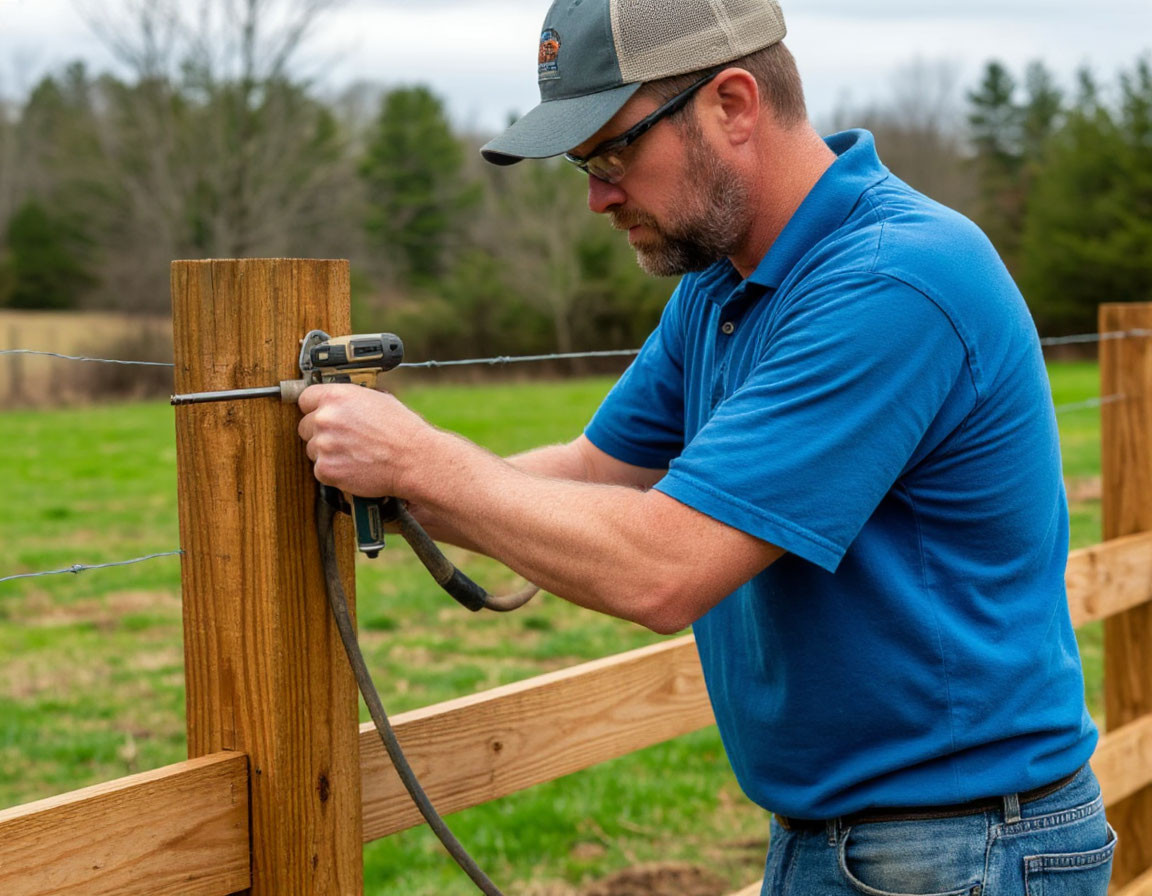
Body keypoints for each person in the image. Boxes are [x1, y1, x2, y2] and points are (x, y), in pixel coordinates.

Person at [298, 1, 1115, 892]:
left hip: (961, 850)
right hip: (856, 836)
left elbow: (666, 569)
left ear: (732, 105)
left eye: (613, 154)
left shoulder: (893, 281)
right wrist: (373, 484)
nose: (596, 197)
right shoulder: (723, 282)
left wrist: (418, 461)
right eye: (582, 164)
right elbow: (592, 471)